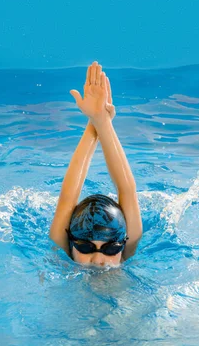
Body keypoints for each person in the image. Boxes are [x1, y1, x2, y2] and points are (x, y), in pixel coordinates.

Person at [49, 61, 142, 267]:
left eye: (111, 249)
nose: (99, 260)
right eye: (85, 247)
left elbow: (128, 189)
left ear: (122, 244)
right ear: (71, 242)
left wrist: (100, 121)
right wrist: (99, 120)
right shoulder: (61, 249)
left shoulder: (129, 248)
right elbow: (67, 197)